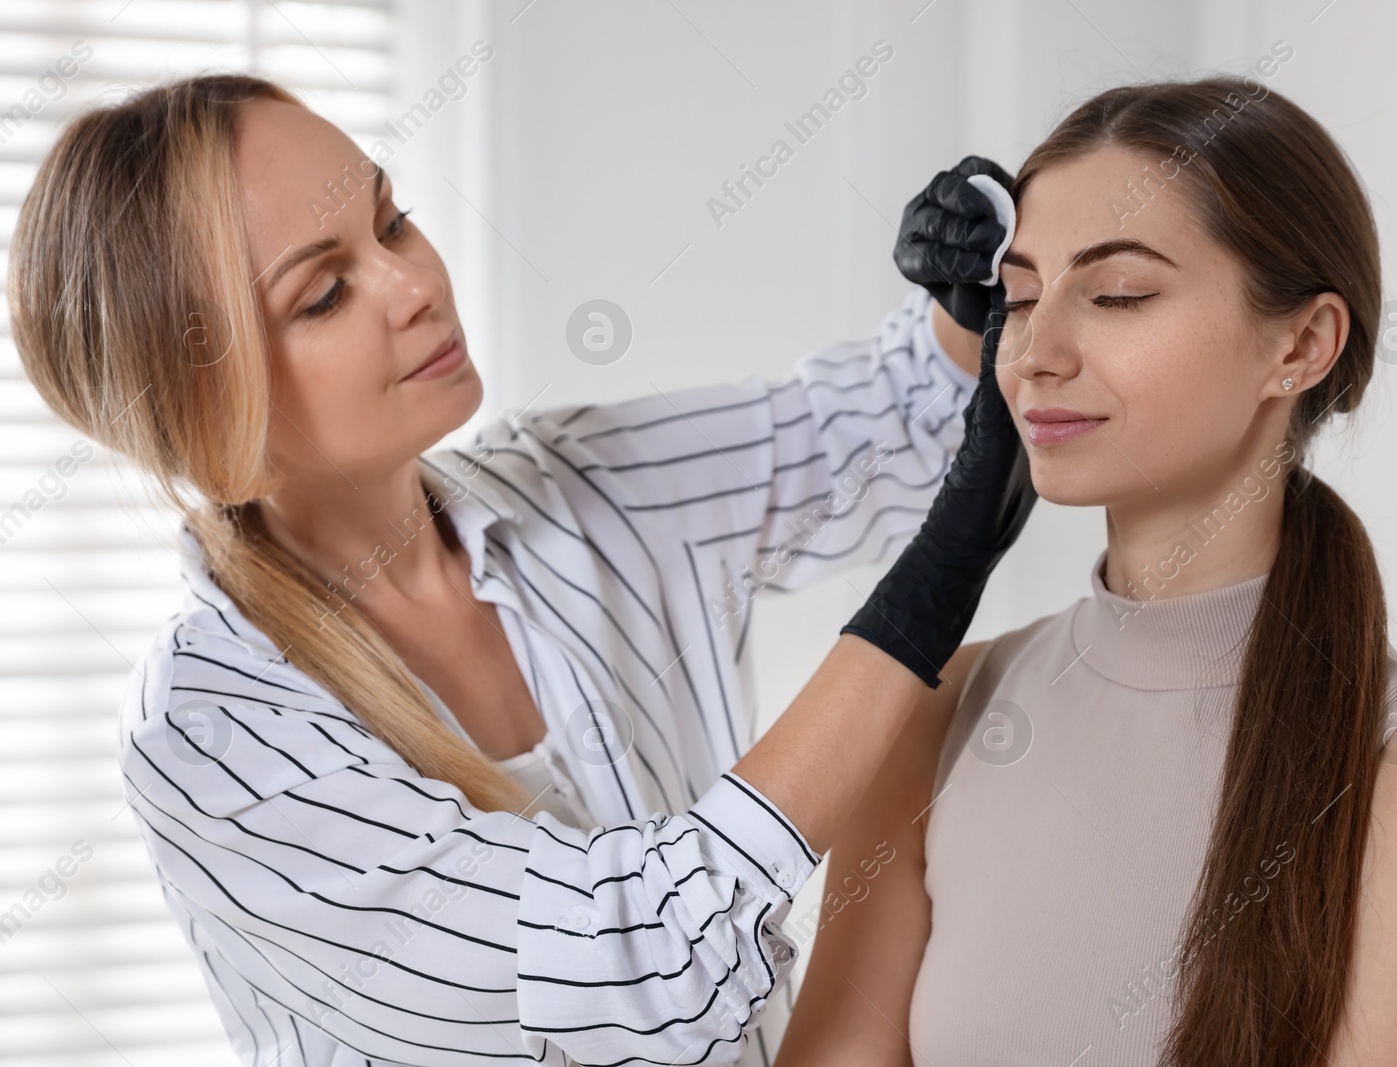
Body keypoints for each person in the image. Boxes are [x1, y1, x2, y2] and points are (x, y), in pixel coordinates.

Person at [6, 73, 1034, 1067]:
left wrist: (963, 291)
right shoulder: (214, 731)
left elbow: (894, 427)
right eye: (323, 293)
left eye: (394, 220)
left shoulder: (572, 484)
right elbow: (630, 962)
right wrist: (917, 612)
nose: (415, 284)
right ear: (201, 404)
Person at [779, 77, 1397, 1067]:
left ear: (1300, 344)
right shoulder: (936, 717)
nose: (1035, 353)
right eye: (1020, 298)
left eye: (1118, 293)